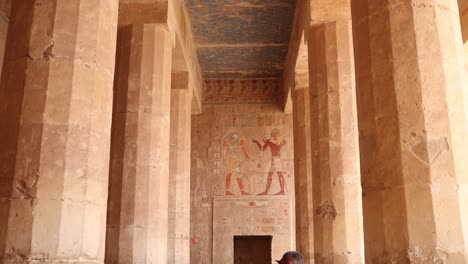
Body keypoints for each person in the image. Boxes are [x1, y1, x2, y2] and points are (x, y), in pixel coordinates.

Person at [252, 128, 286, 195]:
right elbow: (262, 148)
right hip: (275, 160)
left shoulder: (273, 141)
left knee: (277, 174)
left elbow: (264, 148)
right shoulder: (273, 141)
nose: (275, 136)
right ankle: (268, 191)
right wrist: (258, 142)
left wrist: (261, 141)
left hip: (277, 160)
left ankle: (281, 191)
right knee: (271, 175)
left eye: (275, 134)